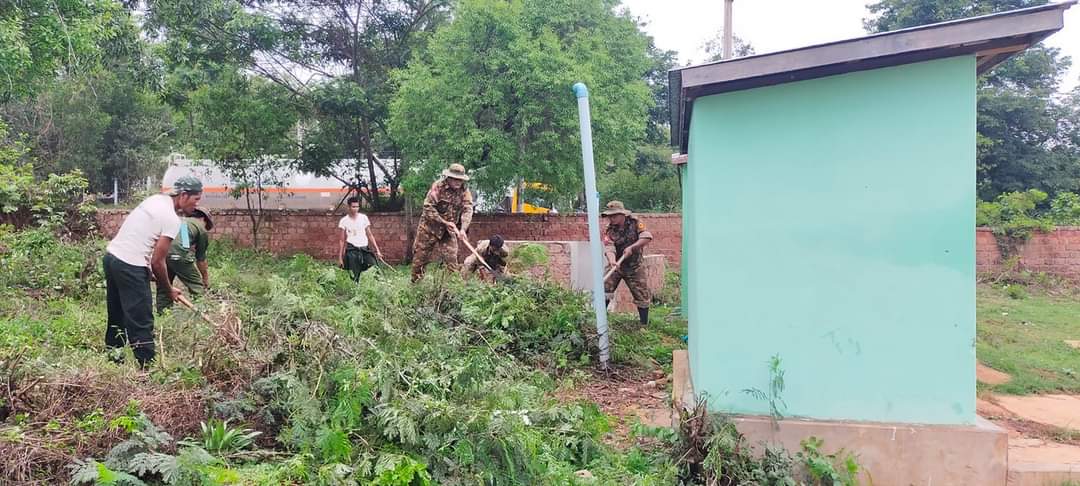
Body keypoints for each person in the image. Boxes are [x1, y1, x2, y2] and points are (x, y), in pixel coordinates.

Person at [104, 176, 202, 367]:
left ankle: (114, 359)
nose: (197, 204)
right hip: (130, 264)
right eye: (196, 199)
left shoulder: (155, 200)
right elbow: (158, 261)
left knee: (117, 314)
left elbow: (141, 239)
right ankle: (147, 368)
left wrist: (148, 273)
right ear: (183, 195)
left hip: (112, 258)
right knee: (141, 319)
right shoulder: (172, 219)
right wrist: (168, 289)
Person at [411, 163, 473, 281]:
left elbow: (468, 209)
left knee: (452, 260)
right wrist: (444, 222)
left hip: (448, 232)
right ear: (448, 178)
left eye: (460, 179)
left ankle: (452, 288)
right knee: (420, 260)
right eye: (455, 179)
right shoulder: (438, 187)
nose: (458, 182)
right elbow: (428, 207)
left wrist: (463, 229)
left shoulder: (464, 191)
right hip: (429, 229)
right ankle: (415, 285)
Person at [602, 200, 653, 326]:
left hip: (634, 266)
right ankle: (601, 320)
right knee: (604, 288)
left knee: (641, 294)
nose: (611, 218)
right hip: (617, 265)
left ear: (622, 214)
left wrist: (632, 248)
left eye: (614, 215)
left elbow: (647, 237)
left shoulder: (635, 222)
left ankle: (644, 325)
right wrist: (612, 261)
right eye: (609, 216)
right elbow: (609, 247)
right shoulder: (609, 229)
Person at [156, 207, 214, 314]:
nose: (205, 228)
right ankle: (202, 314)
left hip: (161, 255)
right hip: (177, 256)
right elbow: (201, 259)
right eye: (206, 225)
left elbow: (179, 244)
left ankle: (163, 315)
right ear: (203, 219)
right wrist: (205, 279)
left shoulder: (182, 222)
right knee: (196, 286)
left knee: (165, 286)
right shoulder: (201, 228)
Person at [337, 196, 383, 282]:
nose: (356, 209)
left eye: (357, 207)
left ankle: (381, 285)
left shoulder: (363, 218)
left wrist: (378, 250)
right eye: (353, 207)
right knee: (355, 274)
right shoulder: (344, 221)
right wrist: (340, 258)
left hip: (364, 248)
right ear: (349, 207)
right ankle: (355, 288)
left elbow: (370, 235)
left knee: (375, 268)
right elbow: (342, 240)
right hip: (352, 249)